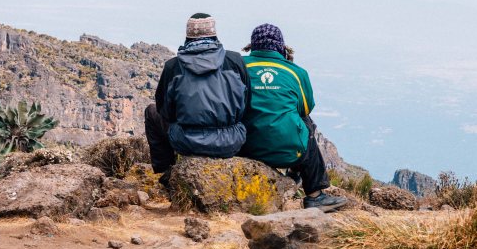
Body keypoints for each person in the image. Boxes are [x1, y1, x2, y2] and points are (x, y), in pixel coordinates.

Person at [240, 23, 347, 212]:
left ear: (252, 46)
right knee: (307, 124)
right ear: (281, 46)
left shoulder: (239, 66)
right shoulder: (296, 72)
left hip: (244, 149)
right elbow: (306, 108)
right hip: (289, 152)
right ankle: (314, 195)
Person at [144, 13, 250, 184]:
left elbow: (164, 109)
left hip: (187, 142)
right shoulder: (235, 61)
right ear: (214, 33)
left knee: (151, 112)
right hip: (230, 142)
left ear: (188, 36)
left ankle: (165, 172)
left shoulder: (173, 66)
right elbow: (246, 104)